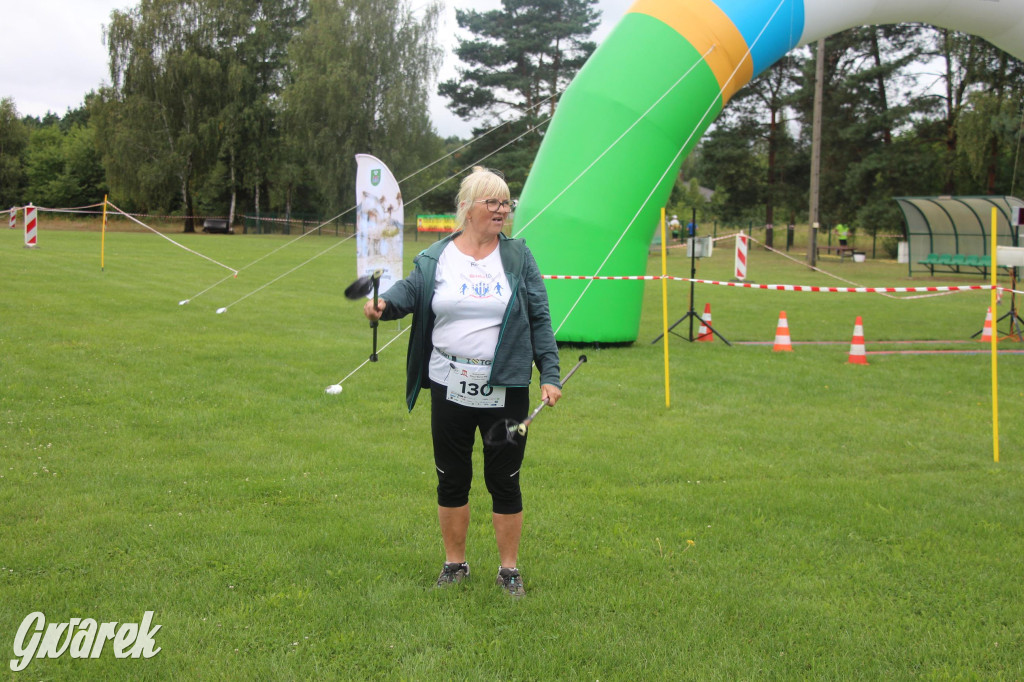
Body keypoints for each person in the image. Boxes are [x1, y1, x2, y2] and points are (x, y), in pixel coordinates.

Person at [363, 167, 562, 598]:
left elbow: (540, 318)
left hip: (506, 390)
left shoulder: (519, 257)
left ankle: (509, 570)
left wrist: (550, 373)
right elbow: (410, 292)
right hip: (449, 386)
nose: (501, 210)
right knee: (451, 476)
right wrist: (384, 304)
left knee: (504, 477)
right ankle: (455, 564)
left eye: (506, 202)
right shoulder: (436, 257)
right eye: (492, 202)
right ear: (467, 208)